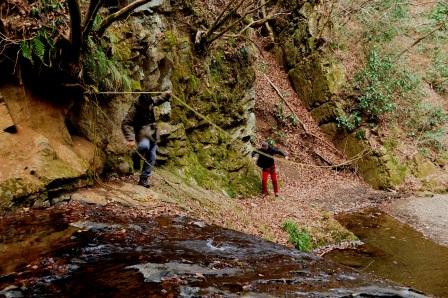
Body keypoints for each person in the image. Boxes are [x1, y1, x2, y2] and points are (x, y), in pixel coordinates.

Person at [121, 91, 172, 187]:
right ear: (142, 104)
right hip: (141, 131)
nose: (149, 107)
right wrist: (131, 139)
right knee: (144, 146)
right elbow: (126, 123)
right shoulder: (134, 109)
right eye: (147, 106)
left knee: (152, 156)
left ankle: (144, 179)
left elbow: (159, 99)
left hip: (152, 130)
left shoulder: (150, 101)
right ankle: (136, 156)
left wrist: (167, 94)